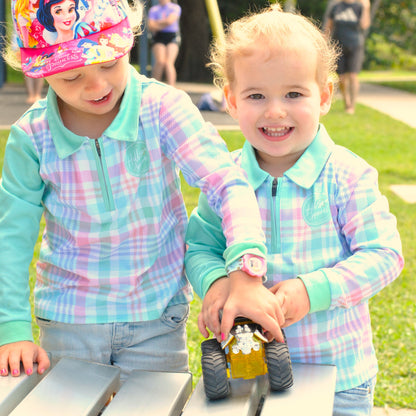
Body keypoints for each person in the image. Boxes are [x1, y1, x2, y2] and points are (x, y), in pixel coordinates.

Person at [0, 0, 284, 381]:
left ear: (127, 42)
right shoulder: (31, 137)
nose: (97, 85)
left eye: (108, 63)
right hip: (69, 318)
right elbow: (11, 238)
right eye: (71, 77)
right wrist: (12, 328)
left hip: (155, 317)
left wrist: (245, 272)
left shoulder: (162, 108)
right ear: (38, 71)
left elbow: (226, 183)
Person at [185, 4, 404, 415]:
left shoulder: (346, 175)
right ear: (230, 100)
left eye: (293, 94)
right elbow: (200, 247)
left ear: (323, 96)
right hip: (244, 370)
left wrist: (312, 289)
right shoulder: (224, 178)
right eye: (256, 95)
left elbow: (384, 256)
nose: (275, 111)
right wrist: (216, 284)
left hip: (338, 373)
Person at [324, 0, 371, 114]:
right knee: (341, 77)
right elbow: (329, 26)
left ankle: (352, 106)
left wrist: (366, 8)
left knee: (353, 75)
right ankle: (347, 101)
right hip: (338, 46)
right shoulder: (336, 7)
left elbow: (364, 25)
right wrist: (324, 42)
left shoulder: (359, 7)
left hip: (355, 45)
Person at [147, 0, 181, 86]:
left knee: (169, 63)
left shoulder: (175, 7)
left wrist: (157, 23)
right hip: (159, 37)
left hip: (172, 36)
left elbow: (170, 21)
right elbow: (151, 26)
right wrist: (164, 22)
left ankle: (171, 86)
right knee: (160, 62)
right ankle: (154, 85)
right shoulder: (154, 9)